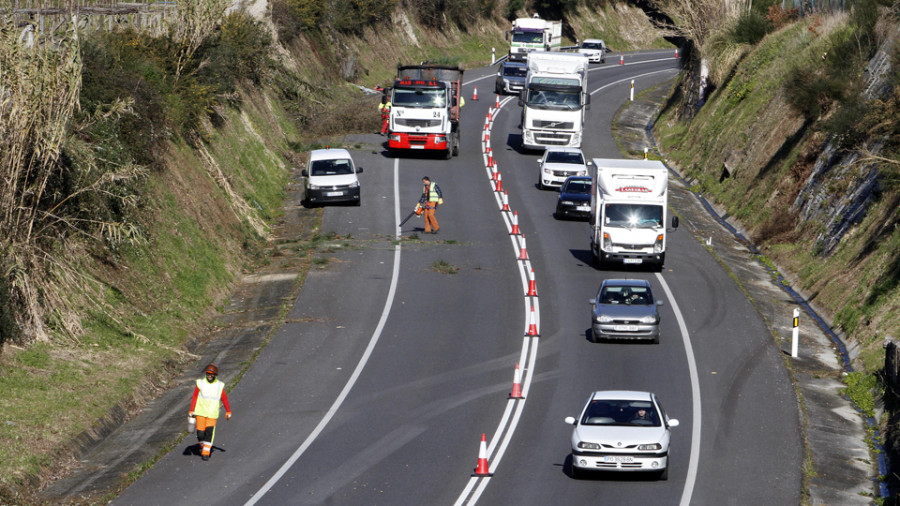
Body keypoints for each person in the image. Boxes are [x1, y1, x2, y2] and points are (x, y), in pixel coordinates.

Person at [189, 363, 232, 461]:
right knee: (200, 433)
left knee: (209, 433)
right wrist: (192, 409)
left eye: (211, 374)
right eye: (208, 373)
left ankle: (205, 453)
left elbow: (224, 399)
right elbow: (195, 397)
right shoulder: (200, 383)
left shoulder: (219, 386)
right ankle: (202, 445)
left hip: (212, 414)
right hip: (200, 412)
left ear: (215, 375)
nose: (209, 375)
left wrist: (228, 411)